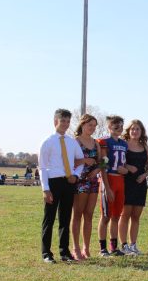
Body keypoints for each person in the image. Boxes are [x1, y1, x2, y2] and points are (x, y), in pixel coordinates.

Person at [38, 108, 84, 263]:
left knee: (65, 218)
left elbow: (81, 160)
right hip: (53, 182)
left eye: (68, 121)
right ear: (55, 121)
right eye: (62, 120)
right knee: (49, 219)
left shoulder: (72, 142)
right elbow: (42, 167)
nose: (65, 124)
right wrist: (45, 189)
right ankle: (46, 254)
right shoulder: (48, 142)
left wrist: (76, 175)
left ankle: (64, 252)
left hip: (68, 182)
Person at [118, 119, 148, 256]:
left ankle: (133, 245)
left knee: (136, 217)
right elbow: (118, 162)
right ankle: (124, 245)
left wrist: (144, 175)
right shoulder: (123, 145)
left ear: (141, 131)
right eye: (132, 129)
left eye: (137, 129)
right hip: (126, 182)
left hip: (140, 183)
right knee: (125, 215)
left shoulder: (145, 146)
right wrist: (127, 166)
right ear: (128, 130)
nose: (135, 131)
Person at [97, 115, 129, 257]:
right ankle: (103, 248)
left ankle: (114, 247)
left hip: (120, 181)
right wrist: (107, 187)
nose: (119, 129)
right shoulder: (104, 142)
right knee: (106, 216)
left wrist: (126, 170)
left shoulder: (124, 144)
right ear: (109, 127)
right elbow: (103, 165)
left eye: (121, 126)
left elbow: (123, 163)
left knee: (116, 215)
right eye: (116, 127)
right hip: (109, 179)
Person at [71, 114, 101, 260]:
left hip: (93, 182)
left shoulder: (96, 143)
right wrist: (84, 160)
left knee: (89, 215)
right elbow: (69, 161)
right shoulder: (75, 142)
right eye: (90, 125)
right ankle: (75, 248)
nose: (92, 128)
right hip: (79, 181)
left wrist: (97, 169)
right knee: (77, 214)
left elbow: (102, 162)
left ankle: (86, 248)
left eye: (95, 126)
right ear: (82, 124)